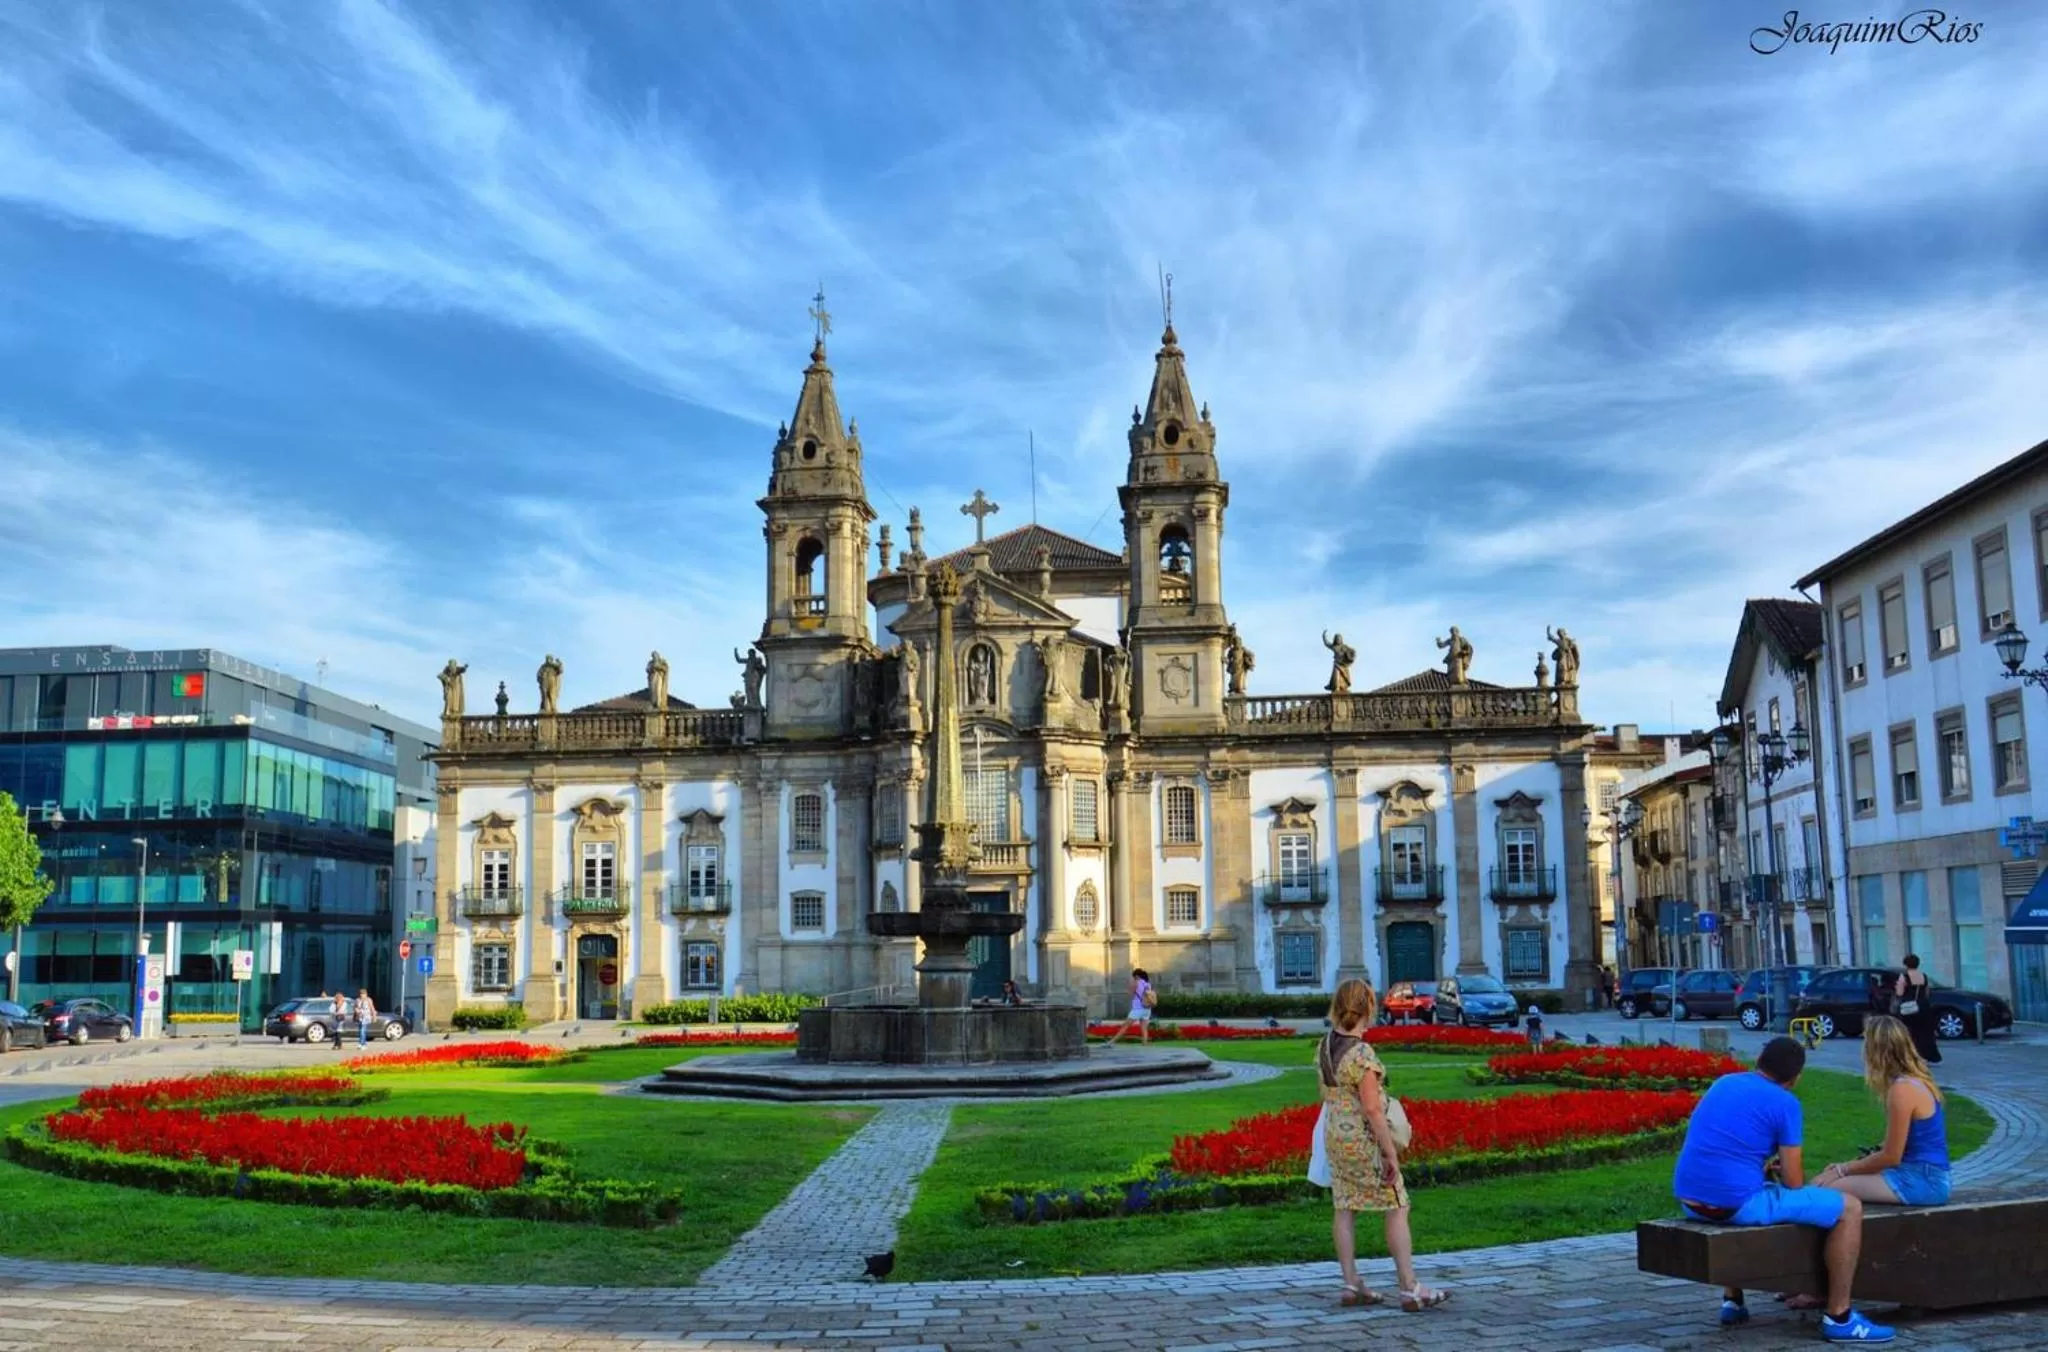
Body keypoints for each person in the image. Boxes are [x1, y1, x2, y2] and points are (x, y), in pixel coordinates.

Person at [1671, 1036, 1892, 1343]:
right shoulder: (1786, 1103)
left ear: (1760, 1060)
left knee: (1750, 1185)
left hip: (1690, 1199)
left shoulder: (1724, 1083)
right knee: (1849, 1208)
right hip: (1736, 1205)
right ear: (1795, 1077)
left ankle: (1733, 1302)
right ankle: (1840, 1316)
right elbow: (1793, 1182)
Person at [1319, 978, 1451, 1312]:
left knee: (1344, 1207)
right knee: (1397, 1204)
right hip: (1363, 1140)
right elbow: (1373, 1109)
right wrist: (1390, 1153)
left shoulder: (1324, 1046)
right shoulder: (1362, 1053)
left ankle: (1351, 1282)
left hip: (1335, 1136)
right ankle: (1410, 1288)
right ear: (1368, 1008)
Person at [1819, 1014, 1950, 1207]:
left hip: (1921, 1180)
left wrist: (1842, 1169)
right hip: (1921, 1174)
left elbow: (1891, 1156)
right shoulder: (1915, 1081)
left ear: (1876, 1050)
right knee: (1824, 1181)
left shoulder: (1903, 1089)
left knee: (1824, 1187)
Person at [1891, 955, 1942, 1066]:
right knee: (1924, 1032)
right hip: (1923, 1006)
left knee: (1910, 1032)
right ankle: (1926, 1055)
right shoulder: (1923, 976)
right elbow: (1927, 992)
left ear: (1906, 964)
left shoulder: (1904, 977)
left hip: (1909, 1007)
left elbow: (1899, 992)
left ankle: (1911, 1057)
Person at [1105, 969, 1154, 1046]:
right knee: (1144, 1028)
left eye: (1134, 977)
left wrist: (1131, 989)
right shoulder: (1148, 984)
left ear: (1137, 976)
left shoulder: (1136, 982)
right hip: (1147, 1009)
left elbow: (1131, 994)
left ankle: (1111, 1042)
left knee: (1125, 1026)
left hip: (1138, 1008)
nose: (1133, 978)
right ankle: (1145, 1043)